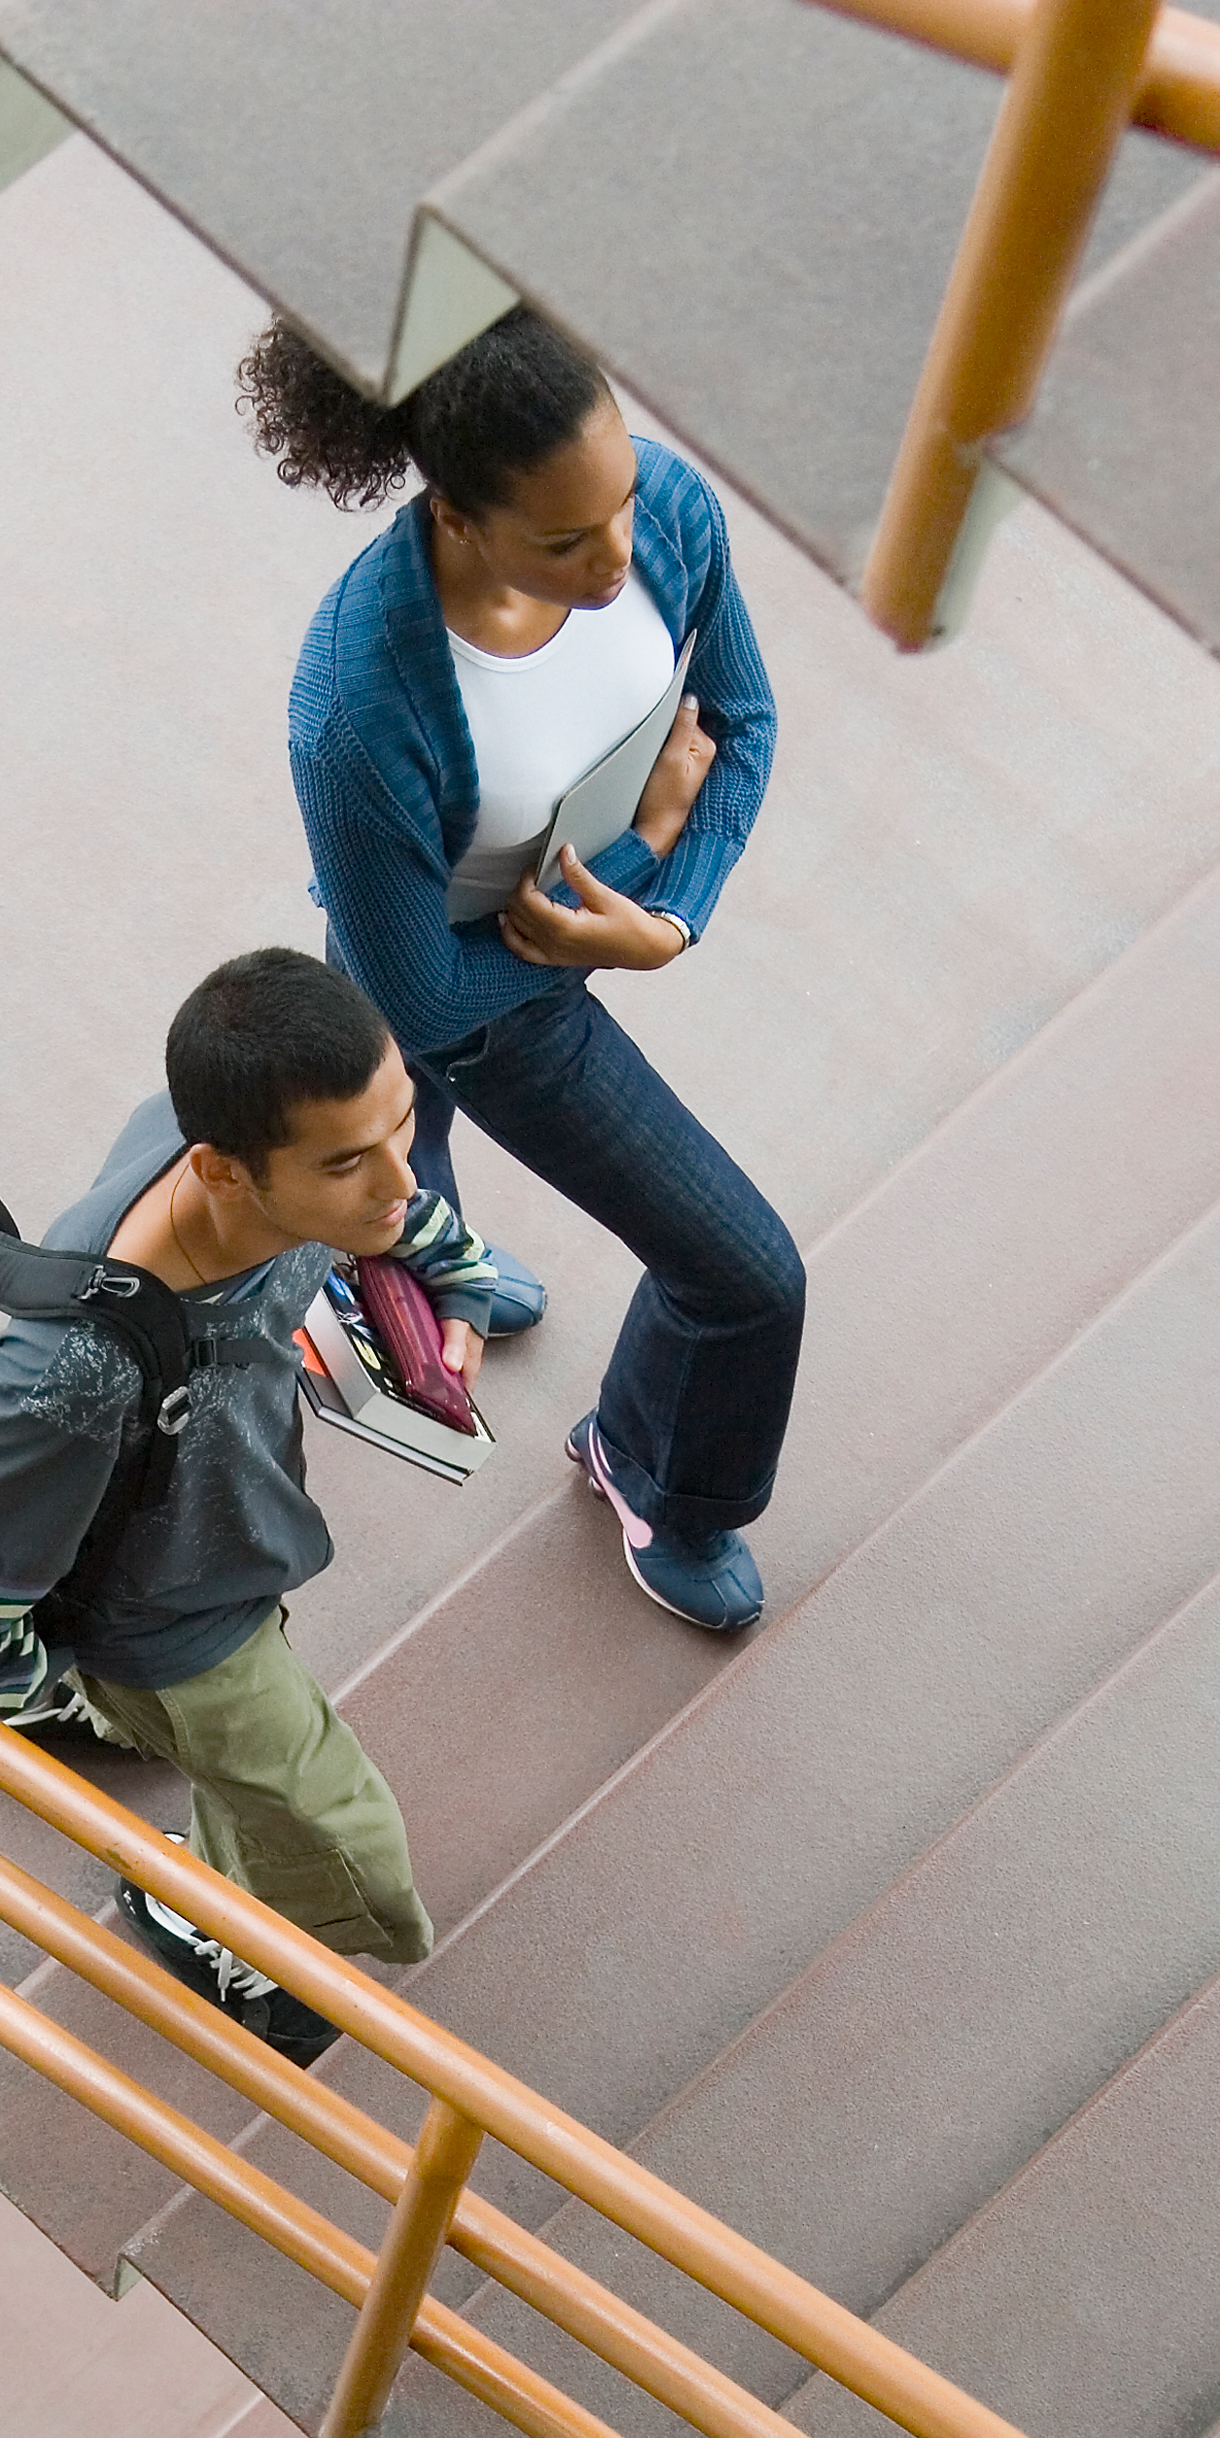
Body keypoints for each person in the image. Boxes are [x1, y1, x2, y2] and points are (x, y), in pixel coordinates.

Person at [249, 303, 800, 1637]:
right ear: (458, 515)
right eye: (564, 538)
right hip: (470, 986)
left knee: (400, 1162)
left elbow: (746, 715)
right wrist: (643, 861)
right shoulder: (358, 710)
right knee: (746, 1282)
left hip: (555, 915)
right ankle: (657, 1473)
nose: (616, 554)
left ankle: (409, 1258)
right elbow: (426, 1002)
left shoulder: (660, 507)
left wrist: (661, 910)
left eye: (616, 501)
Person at [0, 951, 505, 2068]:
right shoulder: (76, 1367)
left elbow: (392, 1213)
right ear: (220, 1170)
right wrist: (58, 1705)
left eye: (401, 1127)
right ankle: (244, 1953)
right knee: (346, 1840)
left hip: (231, 1540)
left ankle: (210, 1887)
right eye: (347, 1164)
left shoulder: (258, 1153)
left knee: (255, 1795)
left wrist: (457, 1273)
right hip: (171, 1629)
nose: (394, 1183)